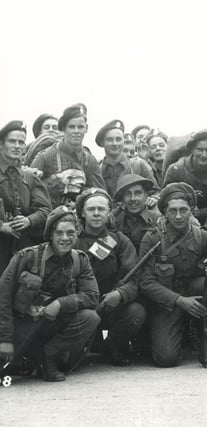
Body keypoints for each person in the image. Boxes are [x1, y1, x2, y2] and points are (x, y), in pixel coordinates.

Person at [138, 183, 207, 367]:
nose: (178, 216)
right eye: (173, 210)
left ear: (191, 211)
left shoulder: (203, 236)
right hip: (167, 301)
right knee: (167, 358)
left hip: (196, 292)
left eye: (183, 210)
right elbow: (146, 282)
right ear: (164, 212)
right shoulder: (152, 239)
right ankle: (181, 337)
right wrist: (179, 300)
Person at [0, 206, 100, 381]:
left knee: (90, 317)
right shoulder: (27, 257)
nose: (65, 238)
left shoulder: (80, 260)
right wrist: (5, 340)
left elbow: (92, 295)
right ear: (50, 235)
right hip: (20, 324)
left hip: (50, 323)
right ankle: (29, 358)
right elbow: (3, 296)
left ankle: (49, 355)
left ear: (77, 233)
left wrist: (60, 304)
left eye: (70, 233)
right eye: (59, 233)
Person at [73, 188, 145, 366]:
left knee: (136, 312)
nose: (96, 214)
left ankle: (113, 344)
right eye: (91, 209)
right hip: (81, 306)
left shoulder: (119, 241)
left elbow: (134, 277)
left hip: (110, 303)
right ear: (82, 212)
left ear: (109, 212)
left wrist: (120, 294)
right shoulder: (72, 240)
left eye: (101, 209)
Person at [0, 121, 52, 273]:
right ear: (1, 144)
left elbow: (45, 209)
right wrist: (2, 226)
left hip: (22, 250)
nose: (17, 146)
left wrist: (29, 220)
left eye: (21, 142)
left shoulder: (29, 177)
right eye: (12, 141)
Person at [31, 103, 106, 208]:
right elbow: (31, 192)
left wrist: (80, 202)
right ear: (63, 128)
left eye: (80, 127)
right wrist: (55, 180)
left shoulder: (89, 160)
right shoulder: (45, 157)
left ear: (86, 128)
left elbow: (100, 194)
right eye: (71, 127)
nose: (76, 131)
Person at [164, 129, 207, 223]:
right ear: (192, 150)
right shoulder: (176, 170)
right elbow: (166, 199)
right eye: (200, 150)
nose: (204, 155)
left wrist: (206, 211)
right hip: (180, 217)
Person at [96, 119, 159, 201]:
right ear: (102, 143)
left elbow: (156, 192)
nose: (115, 143)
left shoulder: (138, 165)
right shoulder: (98, 169)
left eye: (118, 139)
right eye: (110, 140)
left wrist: (153, 199)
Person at [112, 174, 161, 253]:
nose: (133, 198)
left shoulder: (157, 219)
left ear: (145, 196)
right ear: (122, 199)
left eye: (138, 193)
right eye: (128, 194)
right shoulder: (114, 220)